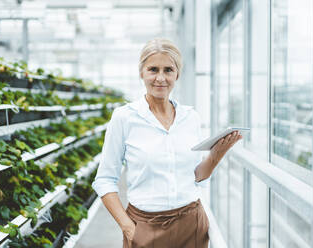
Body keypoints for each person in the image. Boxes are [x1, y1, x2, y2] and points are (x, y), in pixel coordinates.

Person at [92, 38, 242, 248]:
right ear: (142, 73)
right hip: (145, 227)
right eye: (153, 69)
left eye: (168, 70)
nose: (160, 78)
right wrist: (129, 228)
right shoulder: (124, 118)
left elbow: (197, 176)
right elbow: (104, 180)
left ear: (177, 74)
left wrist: (217, 154)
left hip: (192, 224)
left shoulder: (190, 117)